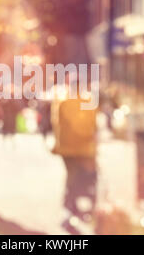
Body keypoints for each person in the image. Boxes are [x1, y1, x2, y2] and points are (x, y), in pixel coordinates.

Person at [51, 78, 98, 231]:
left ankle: (70, 204)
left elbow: (58, 125)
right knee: (80, 176)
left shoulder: (63, 102)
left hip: (67, 148)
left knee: (72, 176)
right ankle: (73, 203)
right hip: (83, 148)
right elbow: (92, 126)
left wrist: (57, 144)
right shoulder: (87, 102)